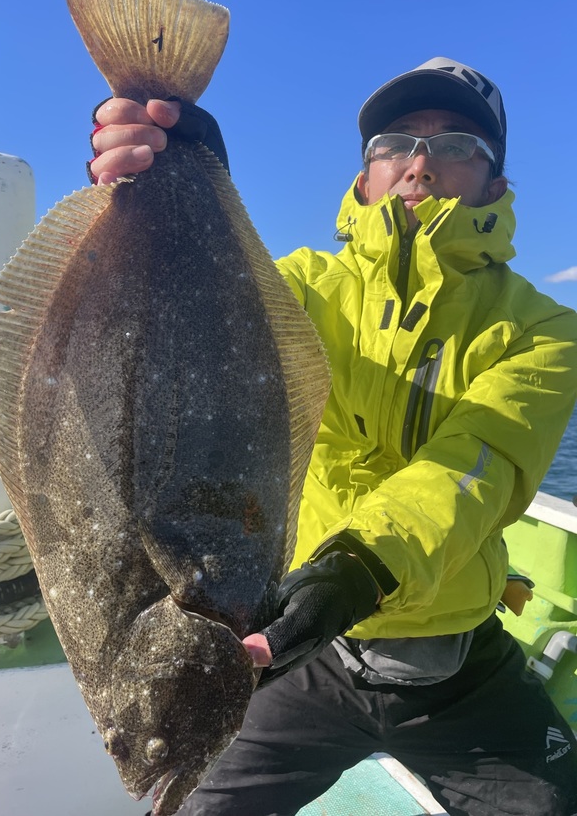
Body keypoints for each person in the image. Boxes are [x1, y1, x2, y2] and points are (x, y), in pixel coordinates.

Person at [89, 58, 577, 816]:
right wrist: (161, 189)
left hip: (457, 661)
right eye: (394, 142)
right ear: (363, 178)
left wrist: (352, 570)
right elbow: (171, 345)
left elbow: (480, 463)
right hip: (296, 644)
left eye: (457, 144)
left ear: (496, 184)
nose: (420, 162)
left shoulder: (543, 329)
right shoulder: (296, 286)